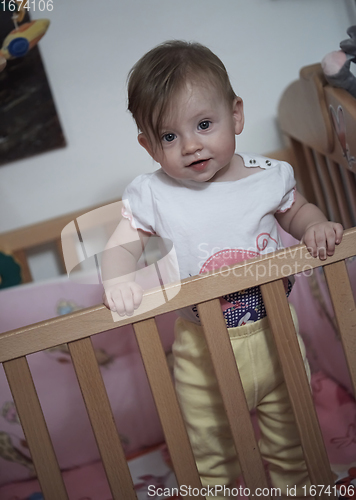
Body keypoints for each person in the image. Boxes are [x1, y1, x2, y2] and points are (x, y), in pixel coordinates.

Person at [102, 40, 343, 498]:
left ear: (235, 116)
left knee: (292, 437)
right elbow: (122, 244)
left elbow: (299, 211)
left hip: (276, 337)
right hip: (201, 351)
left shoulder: (267, 177)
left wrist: (315, 227)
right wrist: (117, 280)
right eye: (169, 137)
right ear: (149, 146)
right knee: (207, 449)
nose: (191, 146)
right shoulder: (153, 194)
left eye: (204, 124)